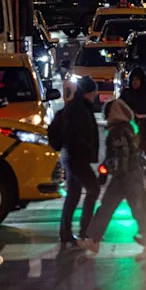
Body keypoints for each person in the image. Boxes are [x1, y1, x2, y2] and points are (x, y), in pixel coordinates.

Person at [79, 100, 146, 254]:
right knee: (134, 209)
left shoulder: (117, 131)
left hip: (124, 176)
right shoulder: (129, 128)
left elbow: (121, 154)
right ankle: (93, 239)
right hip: (131, 174)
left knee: (109, 207)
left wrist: (116, 174)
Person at [57, 76, 101, 247]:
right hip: (77, 158)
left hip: (72, 157)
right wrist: (85, 148)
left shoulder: (78, 106)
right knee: (93, 189)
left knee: (74, 194)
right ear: (88, 92)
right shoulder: (79, 109)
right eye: (93, 92)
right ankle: (85, 230)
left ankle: (66, 232)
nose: (95, 95)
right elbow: (78, 134)